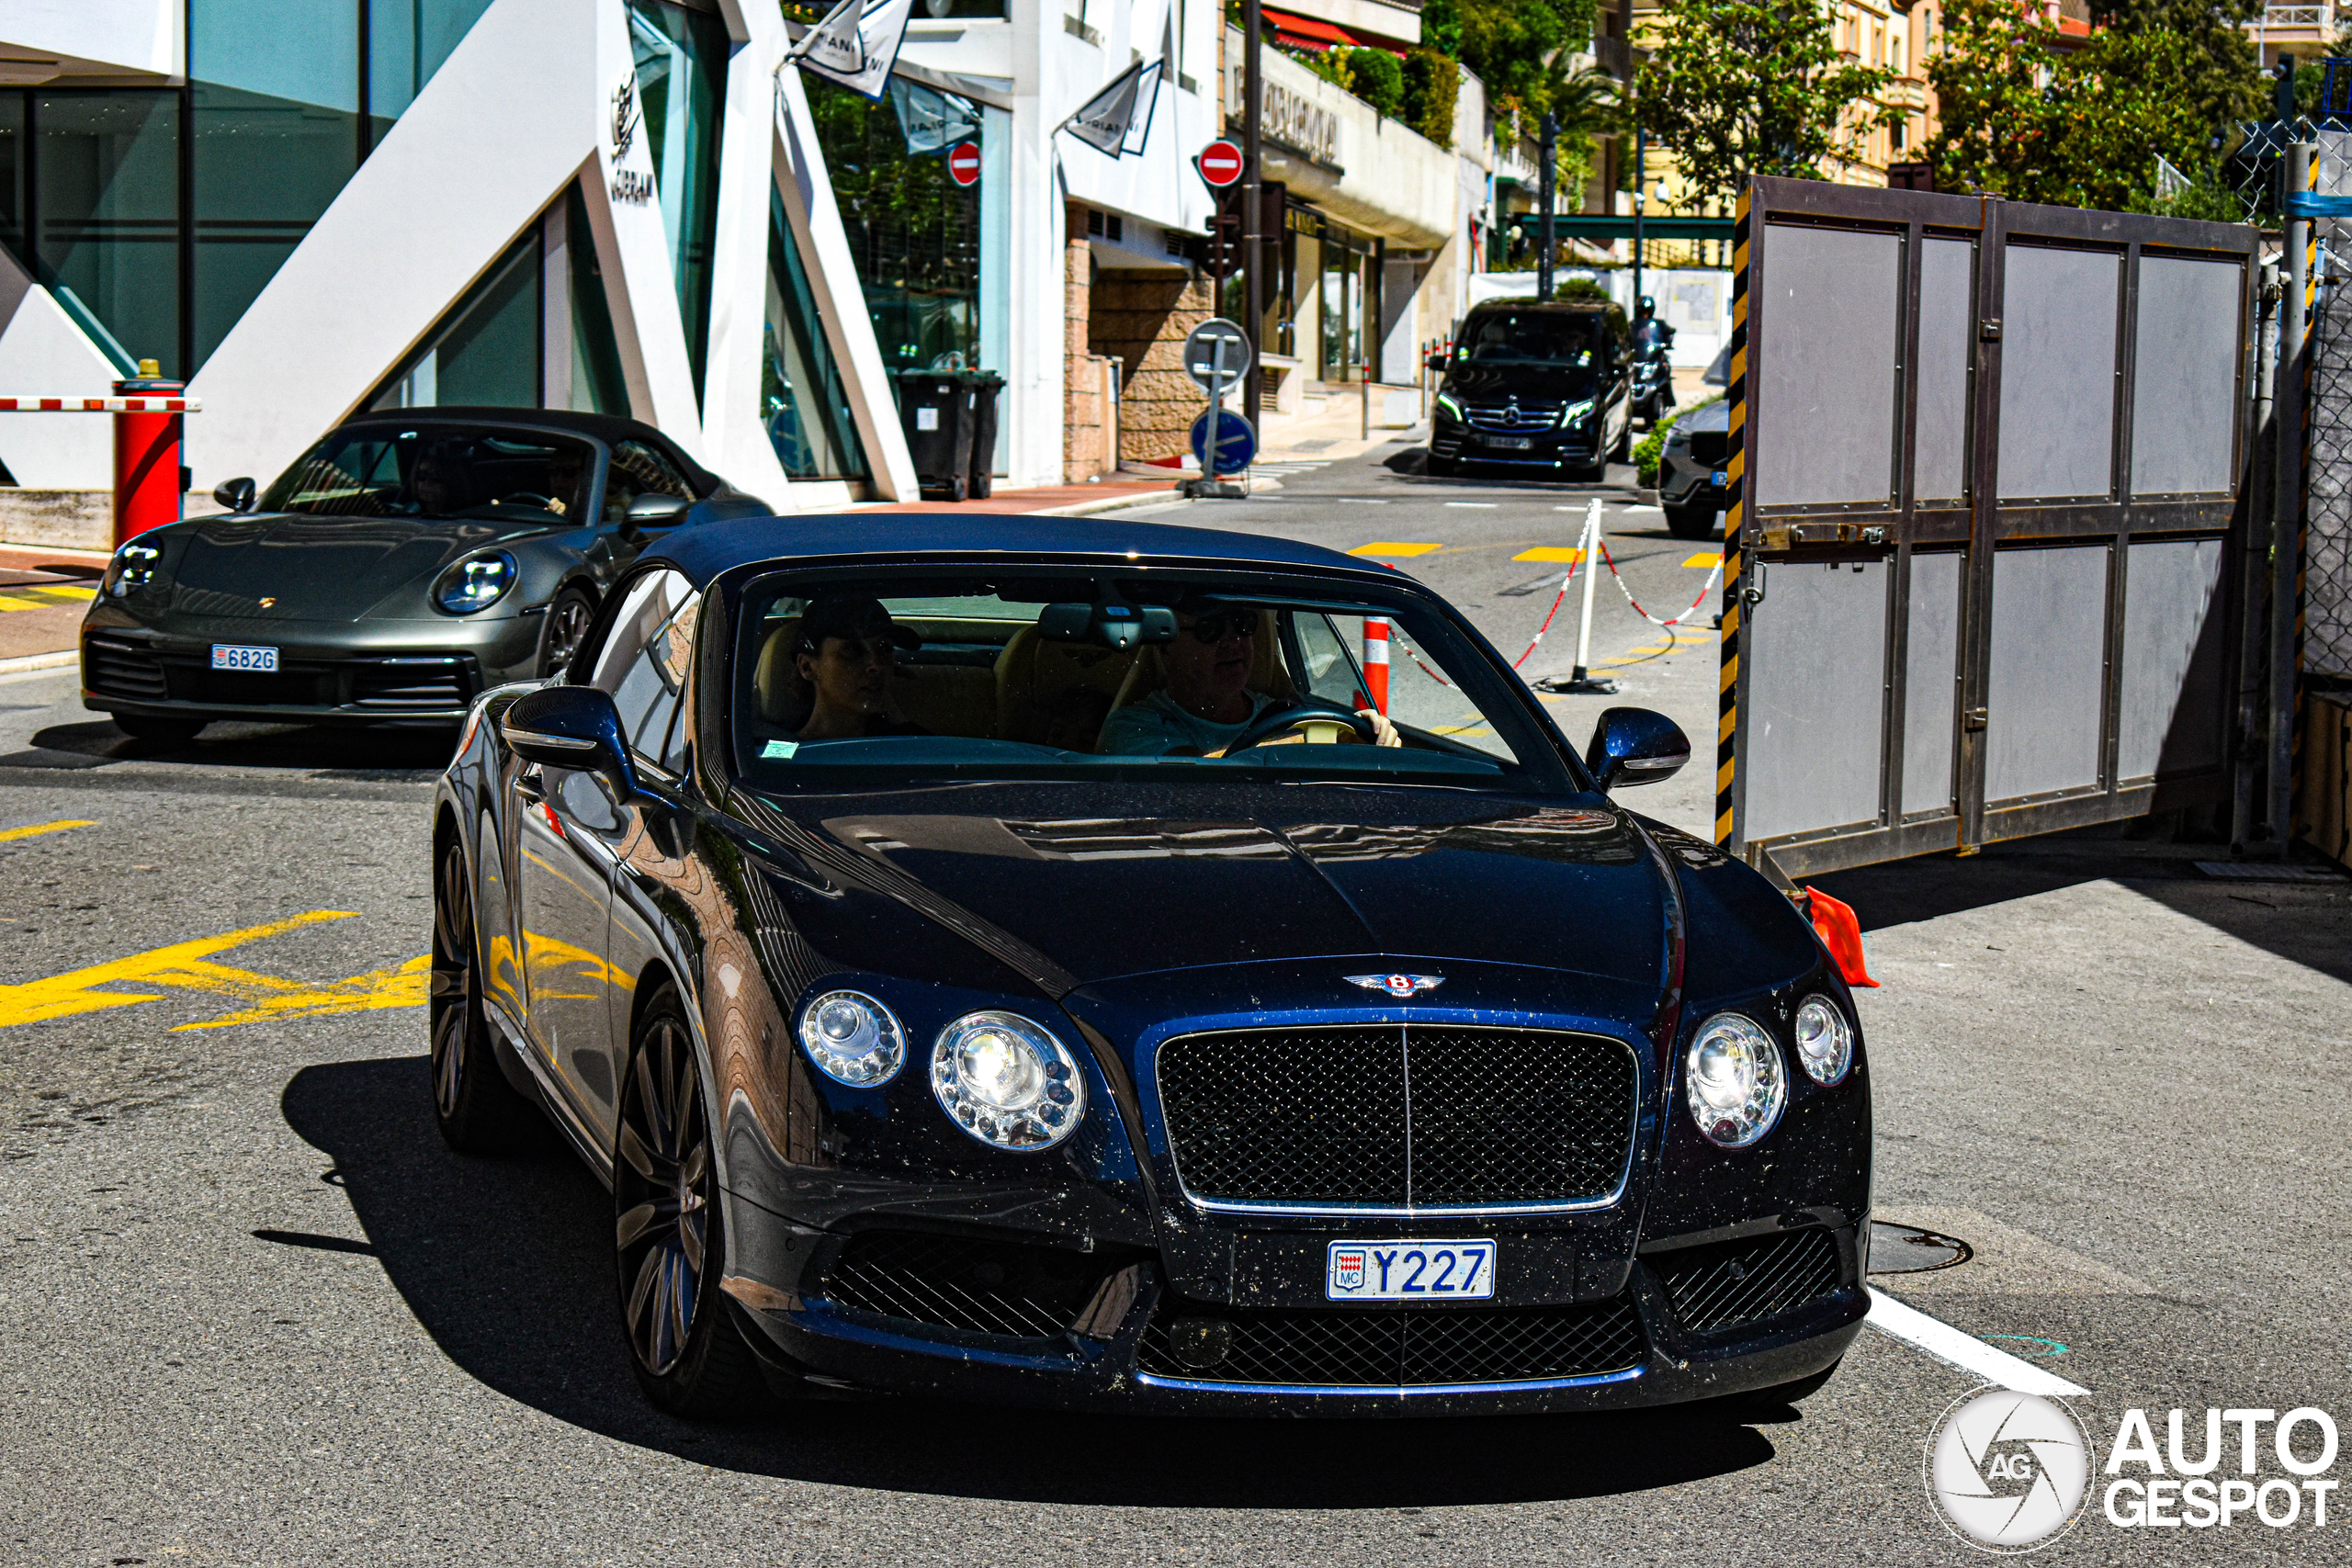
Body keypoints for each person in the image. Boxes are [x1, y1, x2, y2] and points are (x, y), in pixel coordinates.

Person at [1099, 603, 1401, 756]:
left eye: (1244, 625)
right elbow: (1202, 782)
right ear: (1166, 647)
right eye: (1210, 629)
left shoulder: (1288, 715)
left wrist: (1370, 738)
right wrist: (1327, 740)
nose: (1233, 642)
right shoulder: (1132, 728)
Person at [793, 595, 929, 740]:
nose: (876, 665)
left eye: (885, 648)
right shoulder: (780, 753)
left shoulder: (912, 746)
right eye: (851, 650)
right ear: (807, 667)